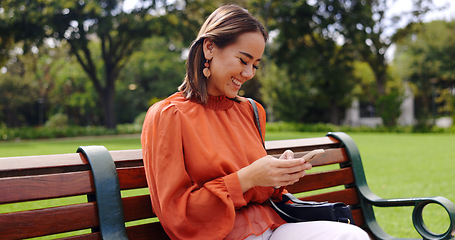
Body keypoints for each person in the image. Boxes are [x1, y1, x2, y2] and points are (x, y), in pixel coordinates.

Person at [141, 4, 370, 240]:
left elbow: (264, 193)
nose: (250, 73)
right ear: (209, 47)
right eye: (243, 60)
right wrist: (247, 178)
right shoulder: (169, 115)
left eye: (256, 65)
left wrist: (277, 173)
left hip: (272, 226)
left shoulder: (251, 110)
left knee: (351, 236)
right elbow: (177, 215)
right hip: (219, 235)